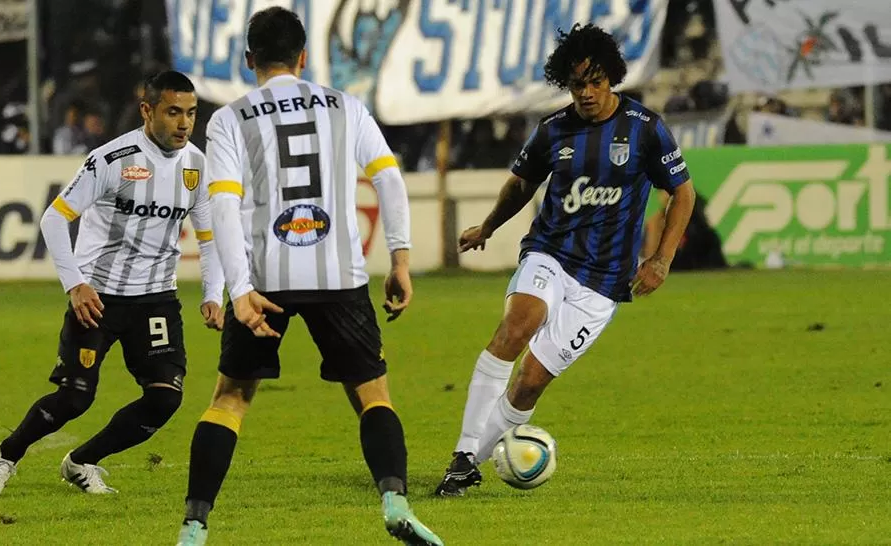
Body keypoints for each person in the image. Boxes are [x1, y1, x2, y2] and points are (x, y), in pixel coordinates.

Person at [175, 7, 442, 546]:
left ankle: (194, 528)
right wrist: (400, 260)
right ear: (303, 56)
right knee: (372, 393)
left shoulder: (230, 119)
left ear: (249, 59)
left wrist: (240, 289)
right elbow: (388, 180)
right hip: (339, 275)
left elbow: (223, 207)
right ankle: (395, 500)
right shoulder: (347, 106)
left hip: (265, 277)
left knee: (230, 398)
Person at [434, 23, 697, 497]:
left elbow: (682, 192)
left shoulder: (645, 130)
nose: (588, 93)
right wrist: (489, 226)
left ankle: (469, 465)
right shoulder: (553, 130)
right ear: (566, 84)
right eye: (578, 83)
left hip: (603, 284)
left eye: (596, 82)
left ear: (612, 78)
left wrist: (661, 260)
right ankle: (462, 454)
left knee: (531, 381)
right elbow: (520, 184)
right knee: (517, 325)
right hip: (550, 254)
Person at [0, 71, 226, 497]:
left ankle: (82, 461)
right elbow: (53, 218)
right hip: (98, 297)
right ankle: (7, 454)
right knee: (75, 399)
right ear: (148, 111)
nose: (184, 123)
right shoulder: (112, 159)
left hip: (155, 299)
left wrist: (213, 294)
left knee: (165, 398)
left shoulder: (197, 166)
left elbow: (209, 238)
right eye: (173, 112)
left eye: (191, 113)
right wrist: (75, 285)